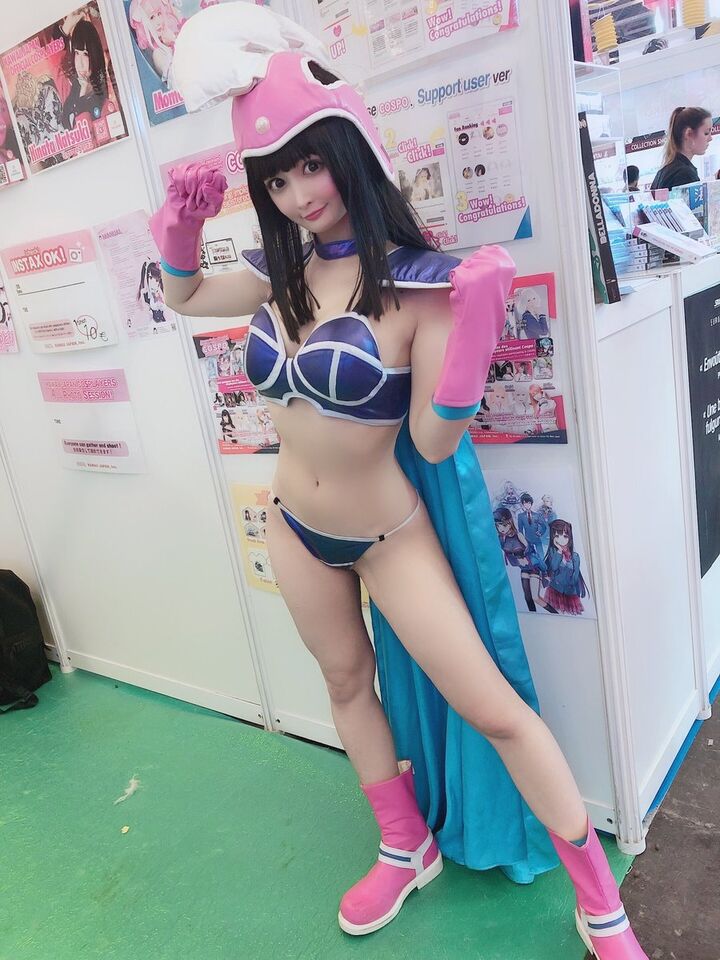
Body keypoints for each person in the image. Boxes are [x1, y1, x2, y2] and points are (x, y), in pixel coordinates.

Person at [149, 6, 650, 957]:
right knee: (346, 684)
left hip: (388, 535)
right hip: (294, 524)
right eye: (277, 178)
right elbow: (184, 298)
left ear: (352, 149)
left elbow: (428, 434)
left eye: (311, 165)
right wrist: (178, 232)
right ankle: (402, 842)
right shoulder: (279, 273)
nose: (298, 194)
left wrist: (475, 336)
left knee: (495, 708)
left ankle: (600, 902)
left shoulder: (422, 285)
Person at [61, 15, 108, 129]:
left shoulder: (105, 100)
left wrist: (82, 97)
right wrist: (66, 28)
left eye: (85, 54)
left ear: (94, 56)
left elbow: (85, 132)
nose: (80, 63)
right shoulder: (72, 89)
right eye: (77, 53)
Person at [650, 106, 713, 190]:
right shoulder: (685, 174)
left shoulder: (663, 172)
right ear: (689, 134)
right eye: (706, 133)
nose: (710, 138)